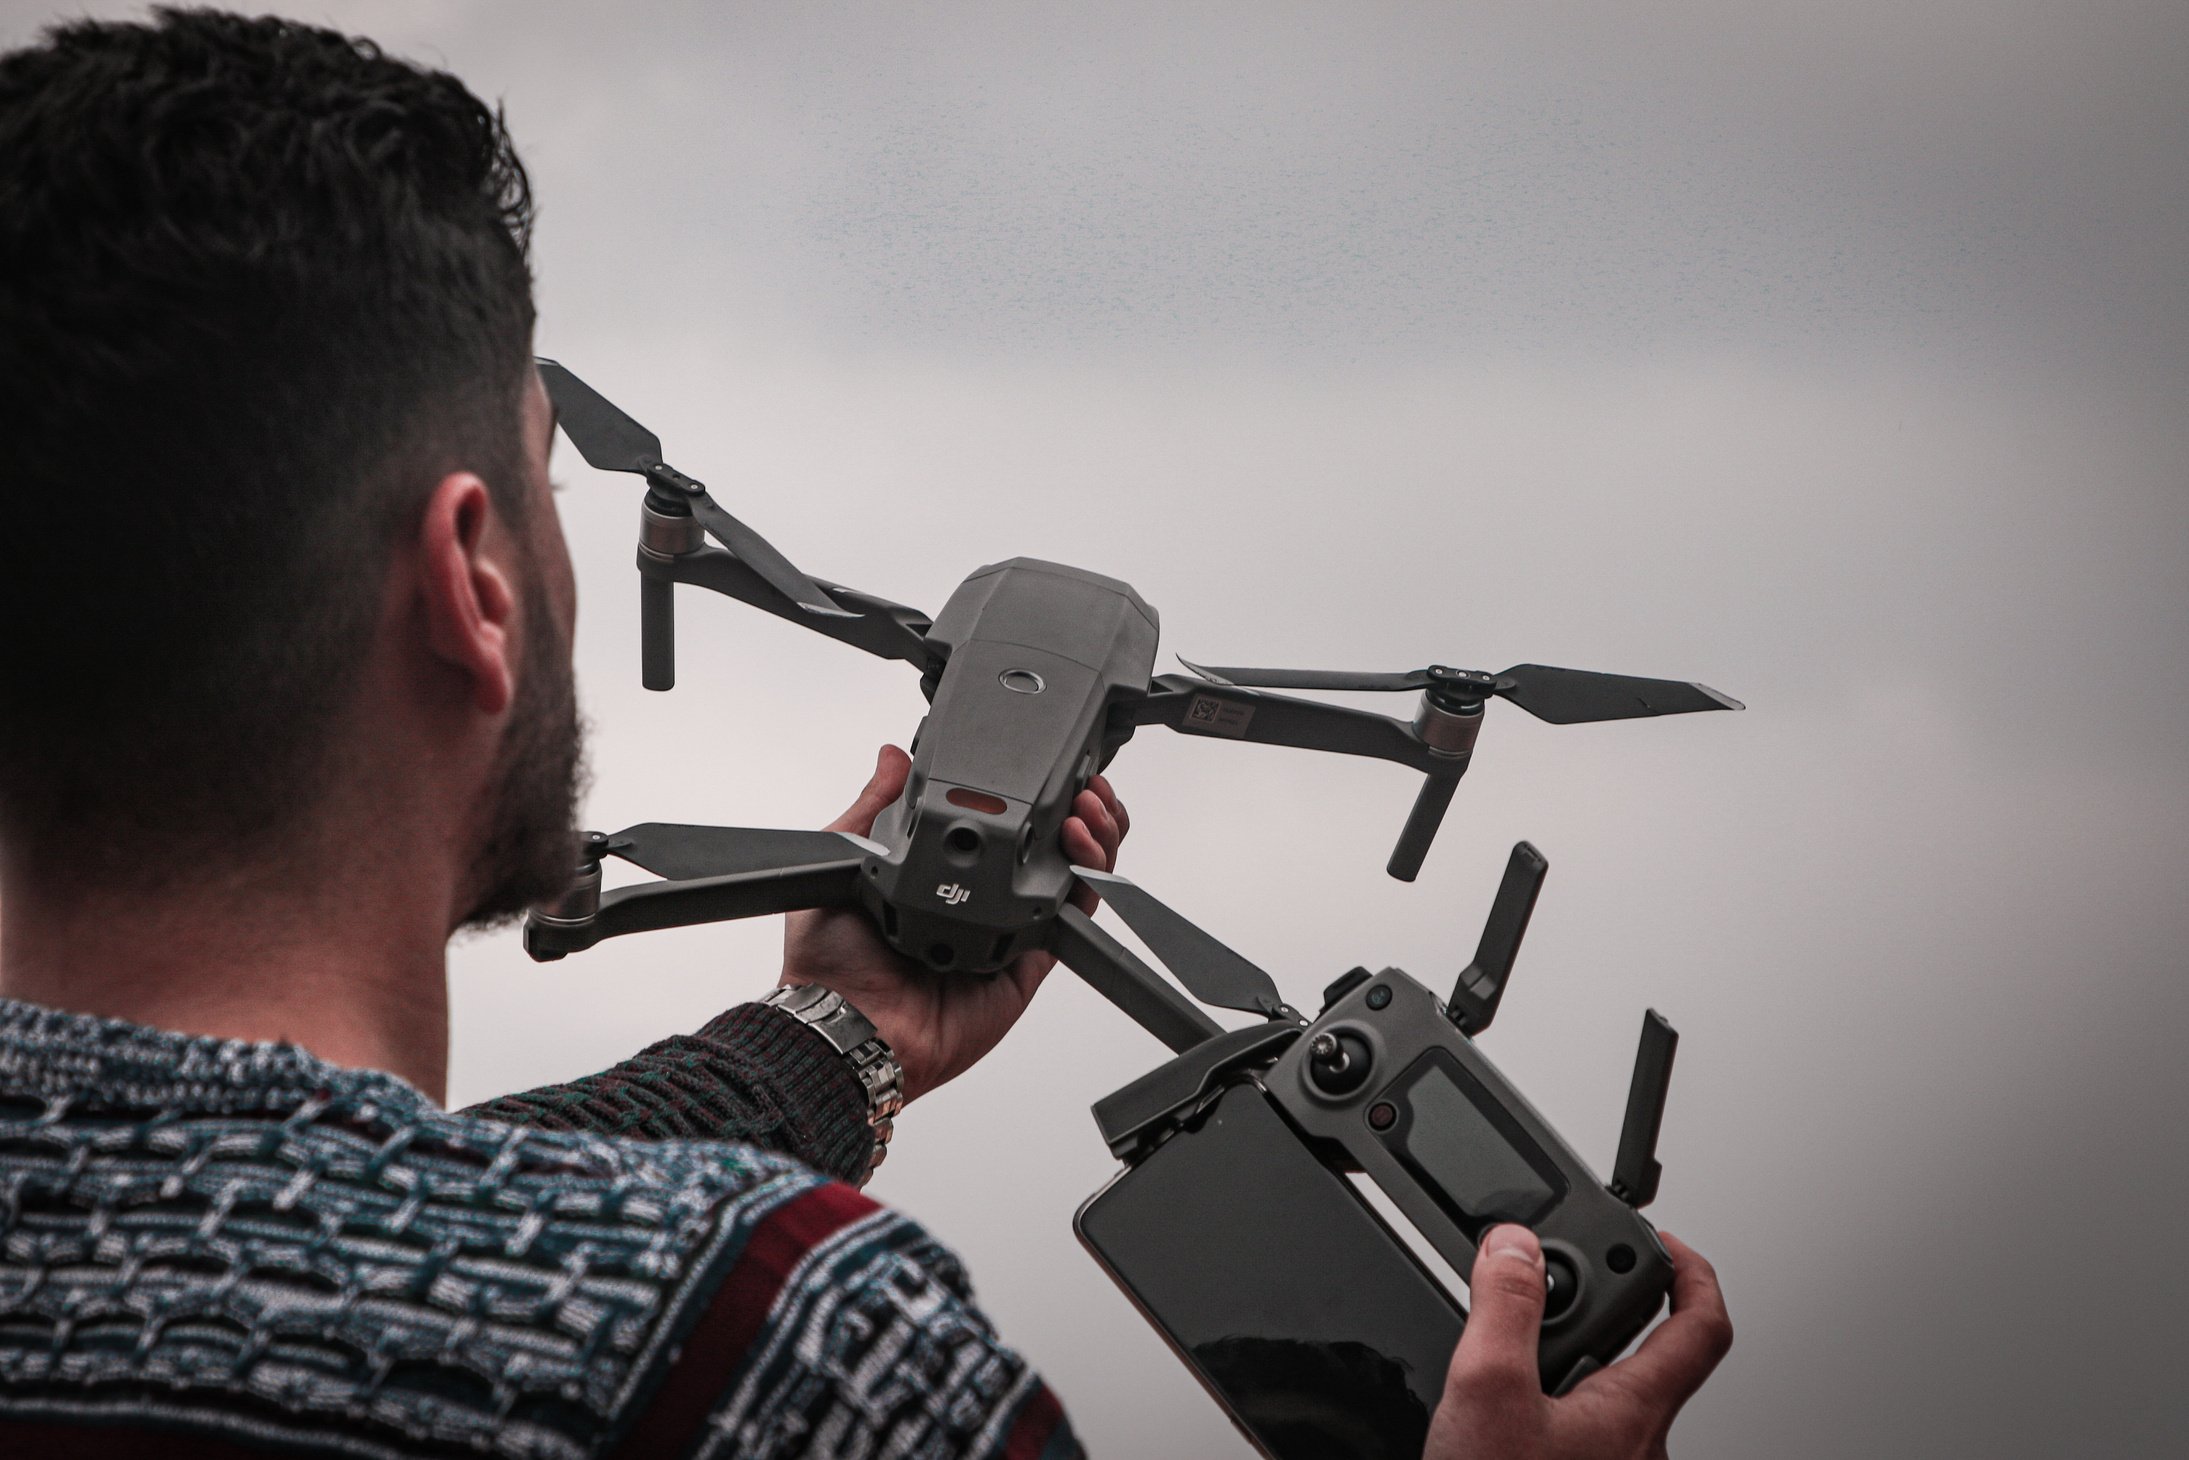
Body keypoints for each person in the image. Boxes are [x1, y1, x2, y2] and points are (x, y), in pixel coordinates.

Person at [0, 11, 1729, 1459]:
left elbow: (348, 1196)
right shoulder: (783, 1354)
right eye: (547, 486)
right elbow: (415, 1230)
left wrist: (840, 1034)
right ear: (473, 581)